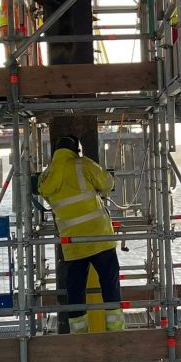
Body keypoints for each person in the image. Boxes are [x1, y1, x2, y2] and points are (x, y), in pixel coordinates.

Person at [38, 135, 125, 333]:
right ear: (76, 150)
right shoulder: (82, 164)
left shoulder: (46, 176)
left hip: (72, 244)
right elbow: (107, 183)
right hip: (99, 237)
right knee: (110, 285)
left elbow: (44, 194)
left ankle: (78, 335)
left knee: (75, 291)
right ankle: (116, 332)